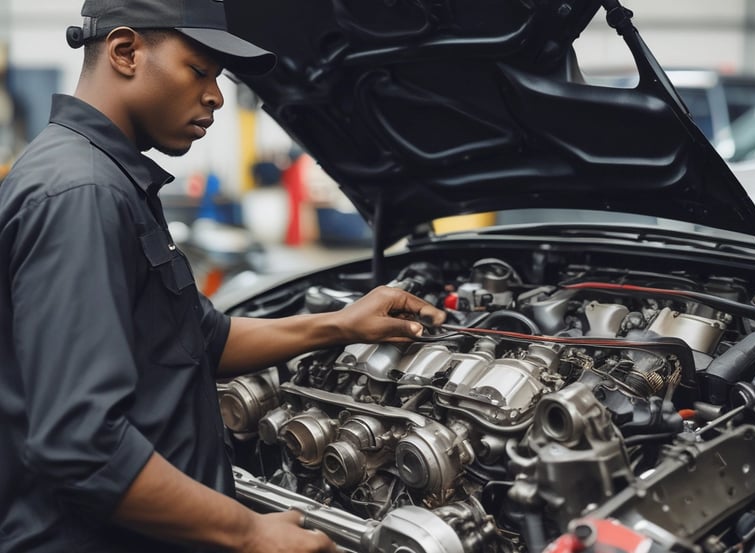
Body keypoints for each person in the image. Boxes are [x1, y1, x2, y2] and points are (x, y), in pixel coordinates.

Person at [0, 1, 446, 552]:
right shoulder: (82, 193)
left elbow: (201, 339)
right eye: (200, 69)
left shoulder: (107, 177)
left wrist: (342, 324)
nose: (215, 94)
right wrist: (251, 533)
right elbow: (81, 443)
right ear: (124, 52)